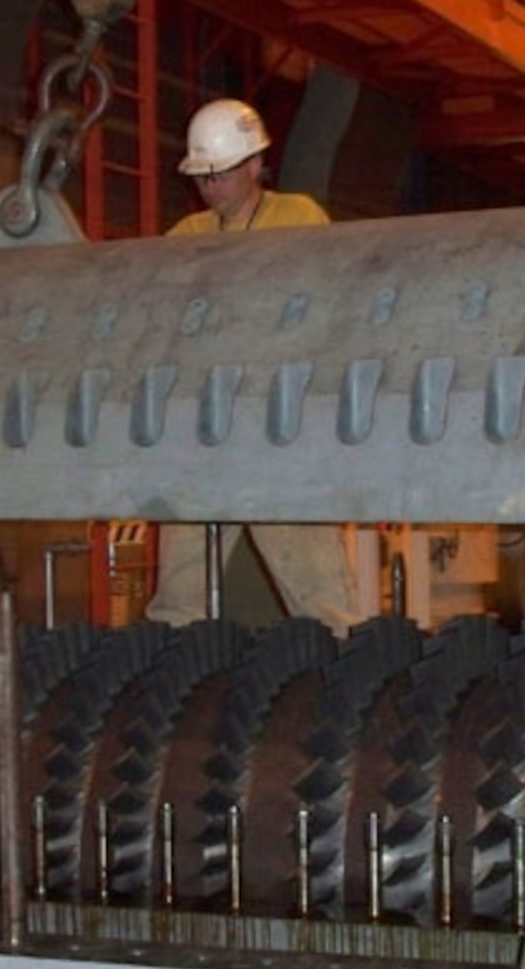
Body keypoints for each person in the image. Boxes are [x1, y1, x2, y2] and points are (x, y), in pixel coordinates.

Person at [146, 99, 369, 635]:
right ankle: (171, 678)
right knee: (180, 592)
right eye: (201, 176)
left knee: (319, 590)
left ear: (253, 165)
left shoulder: (299, 219)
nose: (209, 187)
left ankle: (345, 673)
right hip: (204, 434)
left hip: (278, 431)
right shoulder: (186, 236)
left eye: (219, 173)